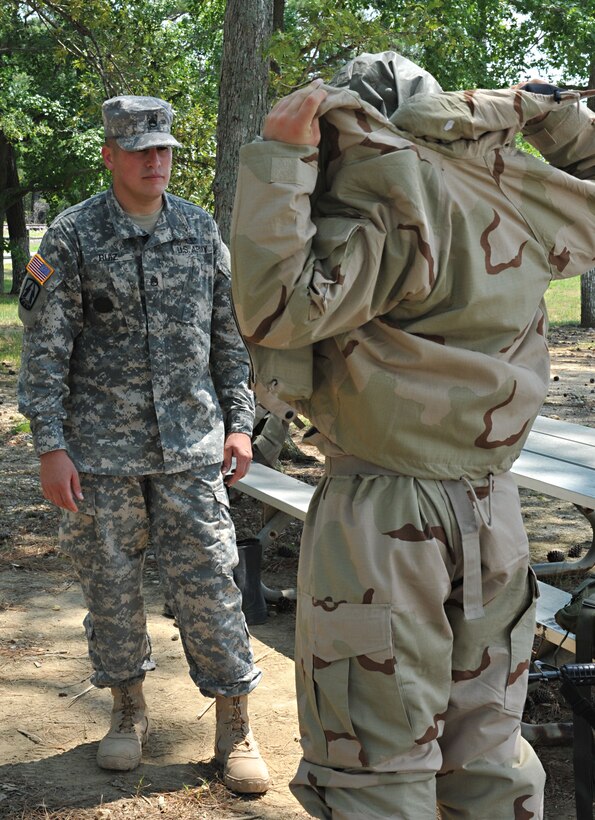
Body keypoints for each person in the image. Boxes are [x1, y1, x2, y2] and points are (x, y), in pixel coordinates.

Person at [230, 52, 595, 818]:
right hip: (493, 515)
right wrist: (555, 117)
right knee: (487, 754)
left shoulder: (389, 211)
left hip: (381, 516)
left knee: (374, 767)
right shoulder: (510, 203)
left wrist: (281, 156)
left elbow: (275, 307)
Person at [18, 95, 270, 795]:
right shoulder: (69, 237)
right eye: (139, 150)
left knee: (212, 584)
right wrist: (50, 446)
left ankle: (233, 724)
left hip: (193, 448)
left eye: (162, 150)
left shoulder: (197, 231)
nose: (154, 161)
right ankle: (127, 714)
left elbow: (228, 337)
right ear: (110, 156)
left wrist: (240, 421)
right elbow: (45, 351)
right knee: (111, 589)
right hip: (100, 454)